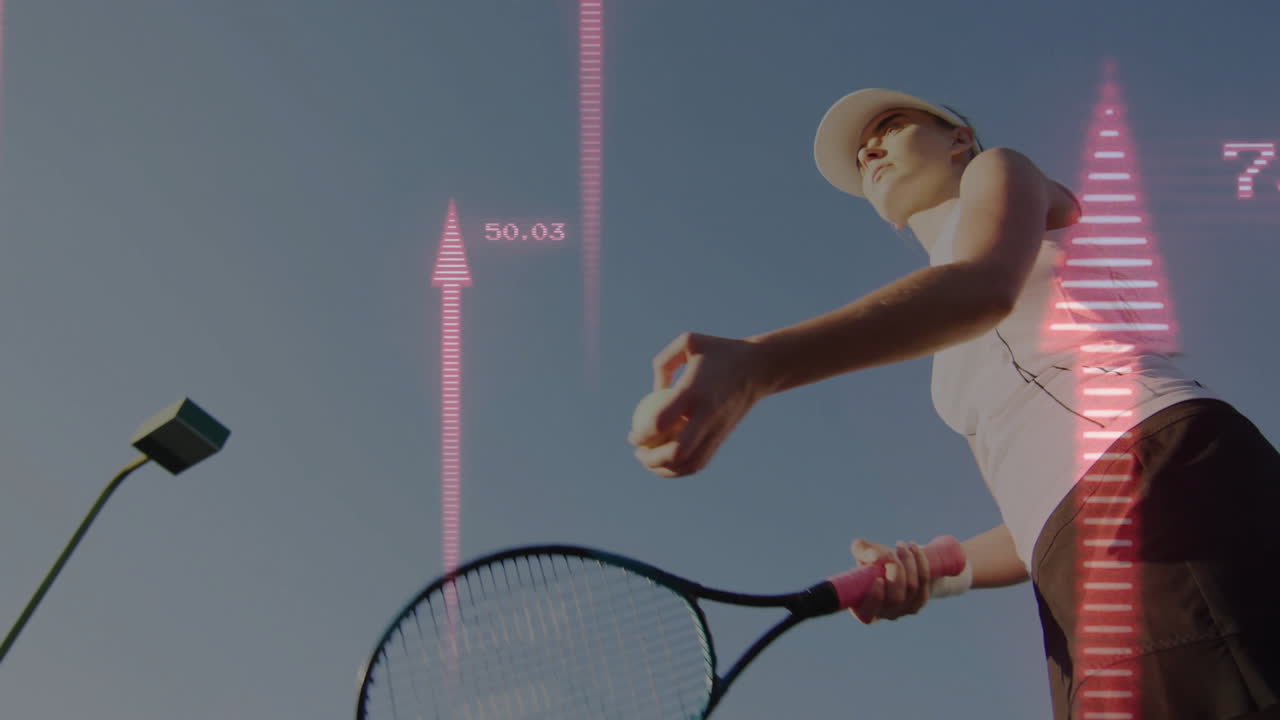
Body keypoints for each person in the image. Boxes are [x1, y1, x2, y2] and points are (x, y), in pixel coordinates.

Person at [626, 87, 1280, 719]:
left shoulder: (1005, 170)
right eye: (861, 155)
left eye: (890, 128)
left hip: (1158, 469)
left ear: (960, 140)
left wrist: (761, 364)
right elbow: (1030, 519)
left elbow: (982, 288)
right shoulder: (948, 352)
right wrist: (931, 568)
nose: (870, 152)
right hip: (1071, 550)